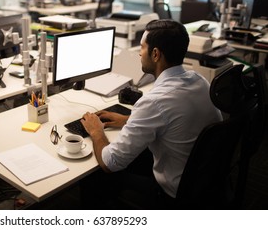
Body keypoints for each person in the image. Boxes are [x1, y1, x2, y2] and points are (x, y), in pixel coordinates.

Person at [80, 19, 223, 209]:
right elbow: (174, 119)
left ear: (155, 54)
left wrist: (97, 131)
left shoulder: (154, 102)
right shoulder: (199, 80)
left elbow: (110, 163)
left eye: (142, 47)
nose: (139, 53)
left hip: (174, 193)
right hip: (205, 180)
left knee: (95, 174)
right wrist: (128, 120)